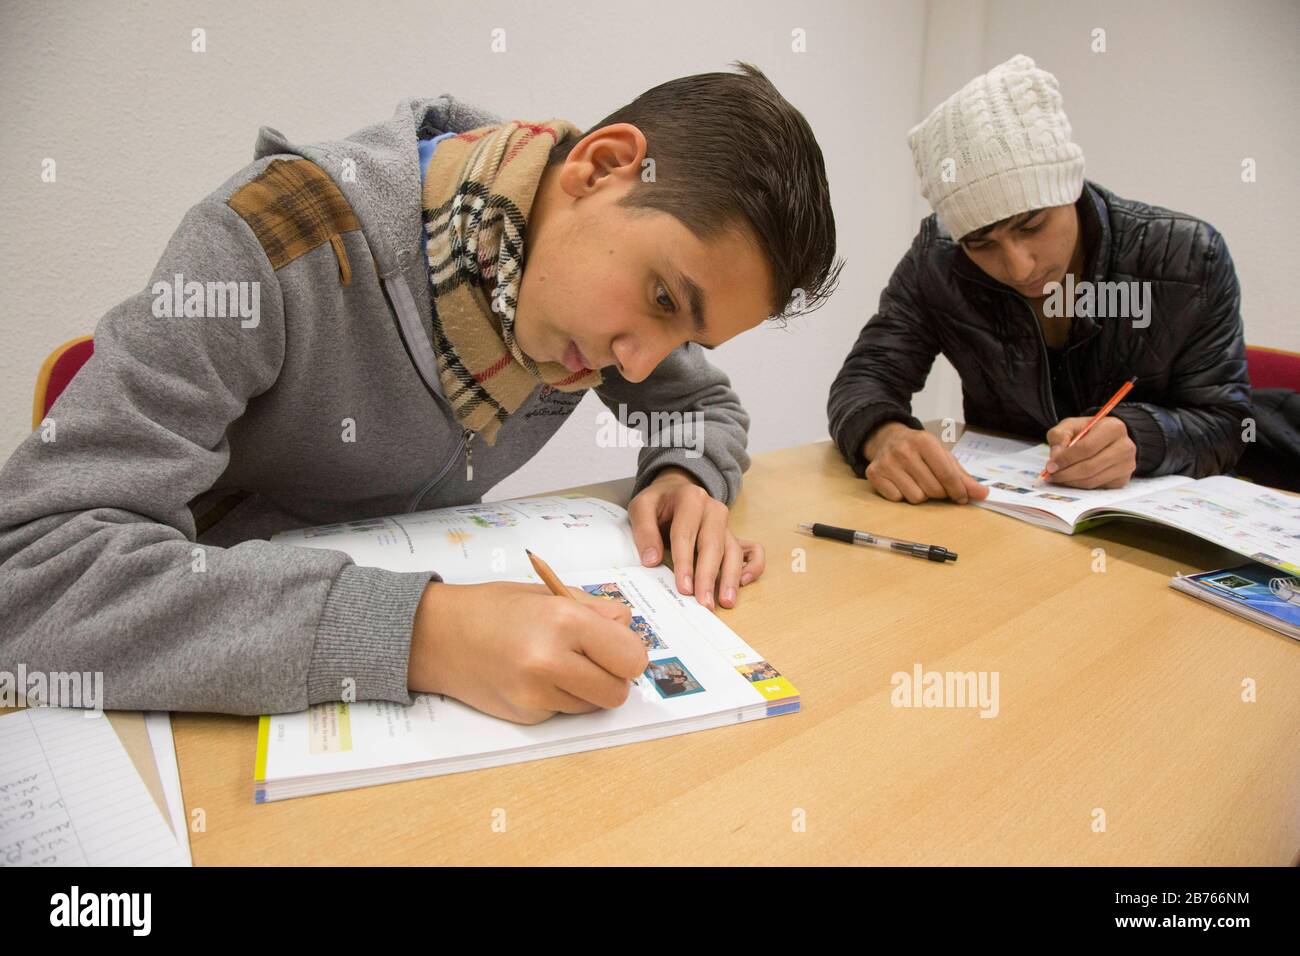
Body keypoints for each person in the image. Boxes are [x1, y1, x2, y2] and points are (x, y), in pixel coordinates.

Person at [0, 63, 841, 723]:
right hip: (197, 697)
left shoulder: (585, 309)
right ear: (602, 166)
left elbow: (704, 409)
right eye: (663, 299)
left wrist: (687, 478)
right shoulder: (269, 243)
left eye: (684, 338)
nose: (635, 365)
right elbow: (33, 575)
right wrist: (422, 636)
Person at [828, 54, 1249, 505]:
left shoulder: (1186, 259)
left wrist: (1140, 437)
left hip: (1146, 541)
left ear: (1068, 189)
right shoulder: (938, 260)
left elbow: (1229, 425)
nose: (1019, 267)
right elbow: (864, 378)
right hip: (1004, 522)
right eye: (981, 243)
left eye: (1032, 226)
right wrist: (885, 434)